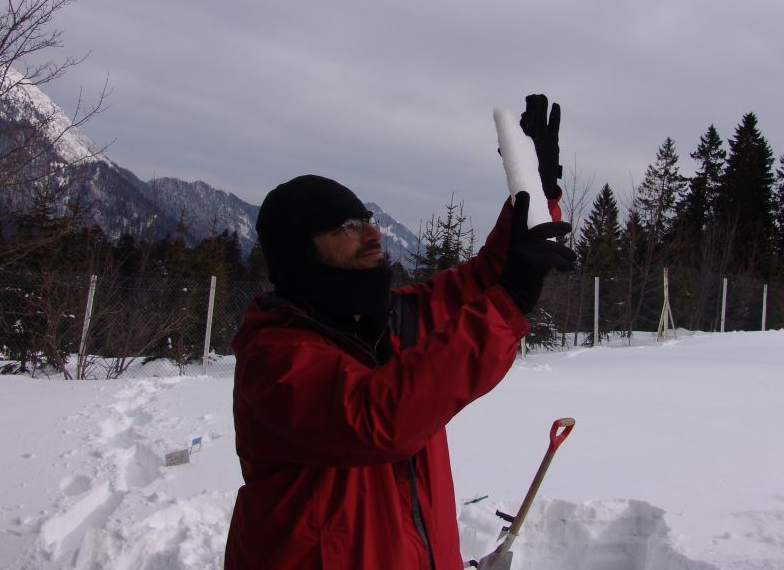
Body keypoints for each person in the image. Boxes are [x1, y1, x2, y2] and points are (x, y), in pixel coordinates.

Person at [225, 95, 576, 570]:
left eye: (367, 219)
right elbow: (380, 421)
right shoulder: (275, 357)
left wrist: (535, 190)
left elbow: (482, 282)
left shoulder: (387, 321)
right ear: (301, 252)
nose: (373, 234)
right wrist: (510, 300)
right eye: (349, 227)